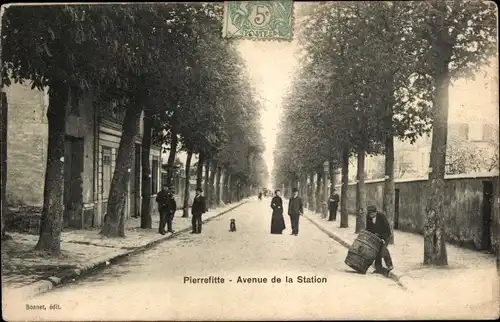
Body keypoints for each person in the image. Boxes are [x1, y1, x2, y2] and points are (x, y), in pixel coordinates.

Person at [365, 205, 394, 275]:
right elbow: (368, 227)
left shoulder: (381, 216)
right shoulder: (368, 217)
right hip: (376, 236)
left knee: (383, 249)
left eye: (372, 214)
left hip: (385, 235)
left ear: (376, 212)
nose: (371, 216)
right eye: (369, 214)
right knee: (376, 251)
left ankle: (389, 265)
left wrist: (383, 238)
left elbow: (387, 229)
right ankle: (378, 268)